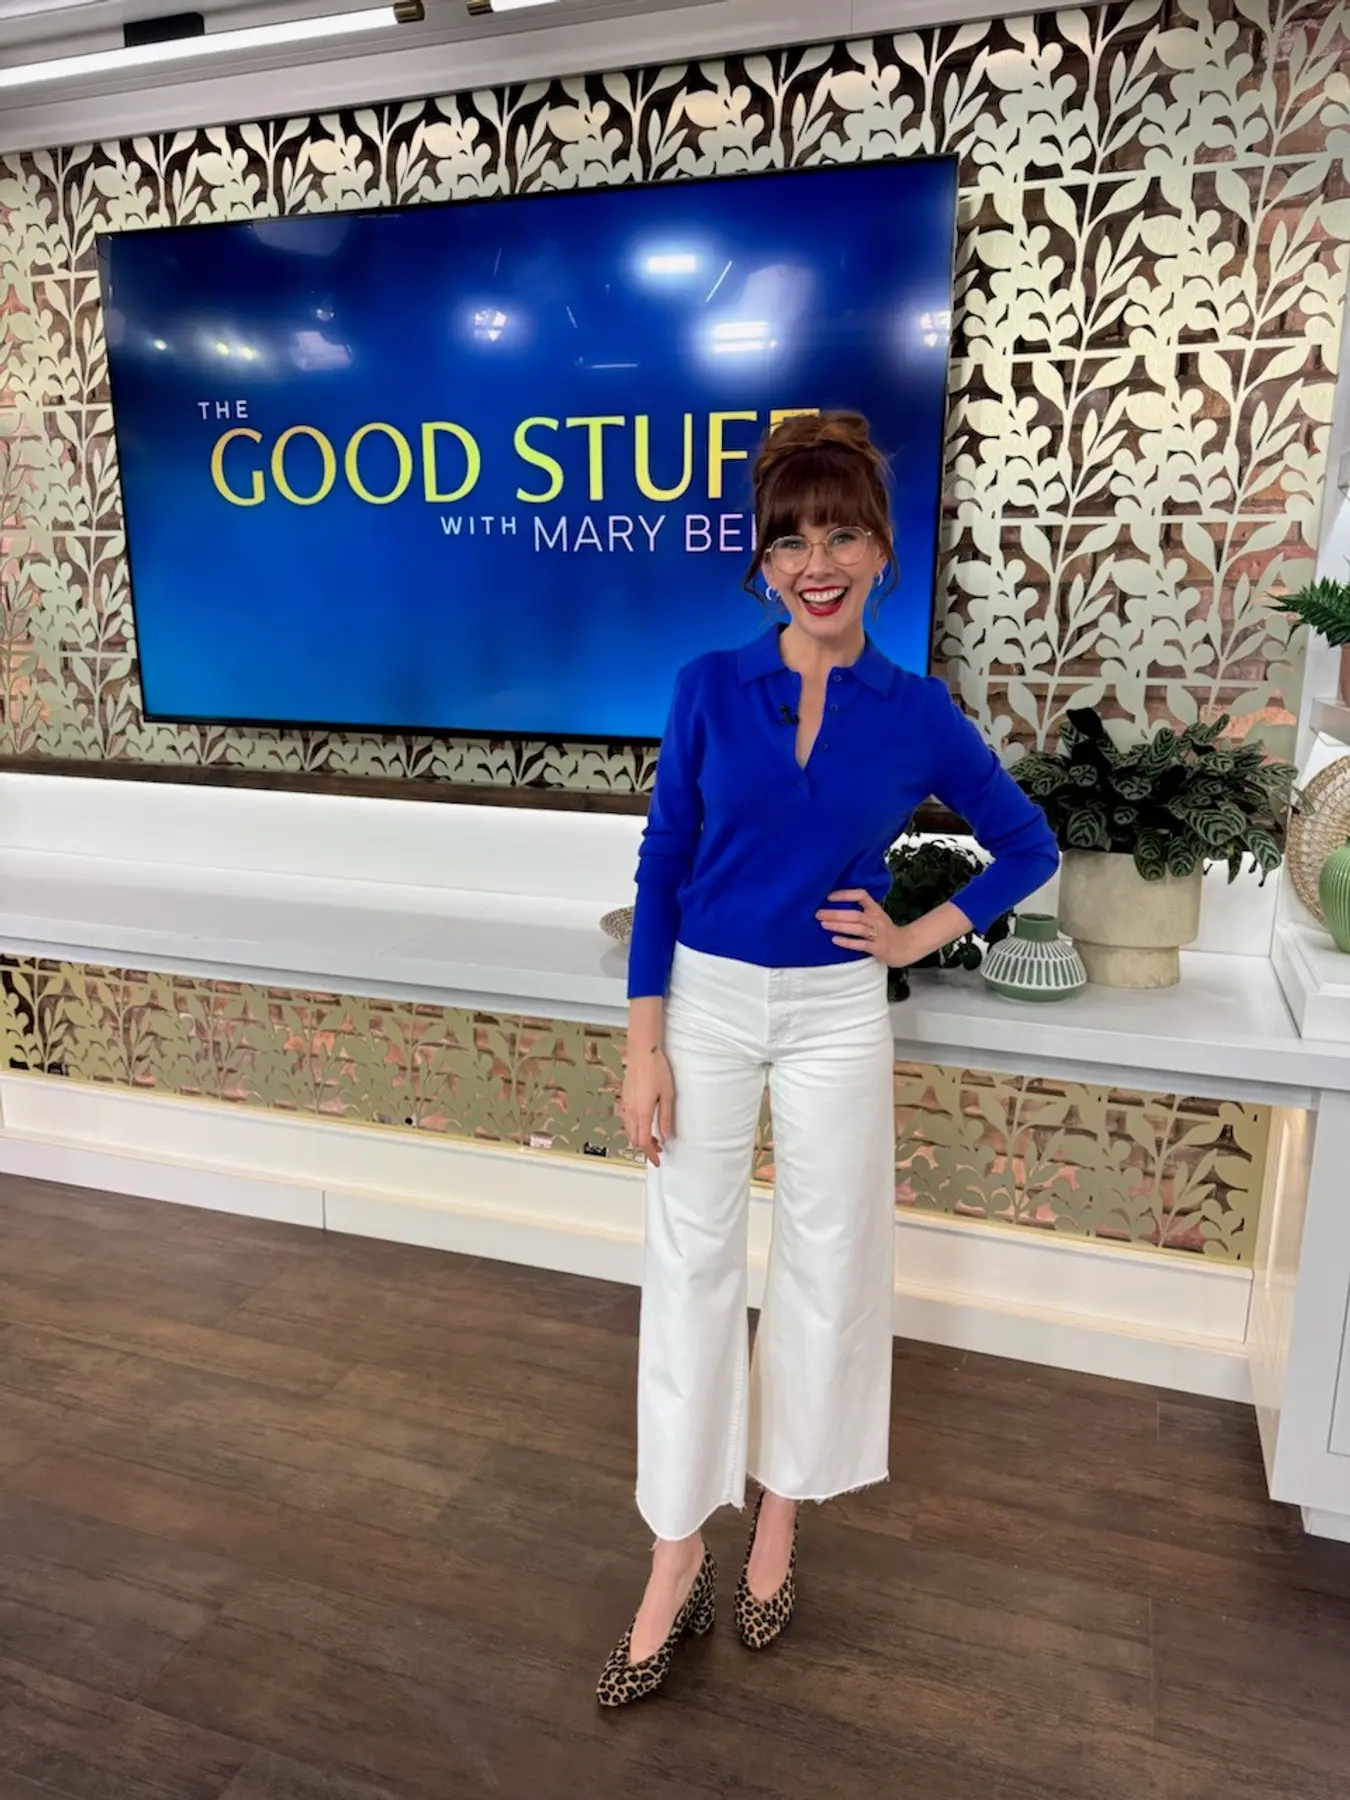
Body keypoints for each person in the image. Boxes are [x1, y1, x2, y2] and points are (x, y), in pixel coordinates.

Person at [595, 411, 1059, 1708]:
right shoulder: (707, 687)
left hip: (837, 1012)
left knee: (825, 1263)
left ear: (880, 553)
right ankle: (674, 1554)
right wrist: (643, 1050)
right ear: (762, 558)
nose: (818, 562)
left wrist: (912, 932)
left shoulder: (916, 713)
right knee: (690, 1268)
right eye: (792, 538)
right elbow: (662, 868)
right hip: (704, 1004)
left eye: (843, 534)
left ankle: (780, 1519)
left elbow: (1026, 845)